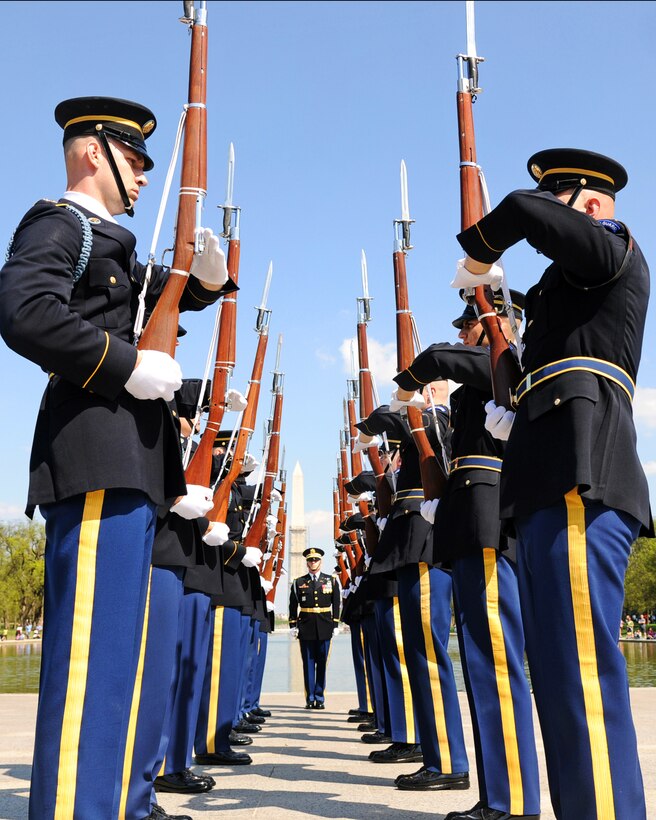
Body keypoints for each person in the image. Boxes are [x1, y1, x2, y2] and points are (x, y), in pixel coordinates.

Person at [0, 96, 236, 820]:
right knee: (90, 663)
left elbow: (162, 294)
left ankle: (112, 803)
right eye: (132, 160)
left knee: (116, 662)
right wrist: (120, 364)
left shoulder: (112, 242)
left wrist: (205, 277)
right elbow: (23, 308)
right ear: (90, 152)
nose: (142, 175)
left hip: (131, 459)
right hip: (97, 448)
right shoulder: (60, 223)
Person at [455, 148, 650, 820]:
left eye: (560, 201)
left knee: (581, 682)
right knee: (561, 682)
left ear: (590, 207)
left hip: (579, 477)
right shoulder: (570, 293)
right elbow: (529, 376)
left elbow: (522, 210)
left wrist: (479, 252)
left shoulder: (612, 250)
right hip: (545, 479)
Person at [393, 292, 540, 818]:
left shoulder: (505, 359)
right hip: (468, 520)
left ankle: (512, 800)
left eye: (470, 321)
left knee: (495, 663)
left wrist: (411, 375)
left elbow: (445, 357)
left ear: (499, 324)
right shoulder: (479, 374)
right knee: (482, 664)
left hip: (488, 521)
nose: (461, 331)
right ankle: (499, 795)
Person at [289, 547, 340, 708]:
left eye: (316, 559)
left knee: (322, 663)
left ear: (321, 561)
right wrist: (293, 625)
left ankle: (320, 697)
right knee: (308, 663)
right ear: (306, 563)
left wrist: (336, 624)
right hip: (306, 626)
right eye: (310, 560)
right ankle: (310, 698)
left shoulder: (330, 580)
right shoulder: (299, 582)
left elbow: (336, 603)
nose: (313, 562)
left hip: (325, 625)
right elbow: (293, 605)